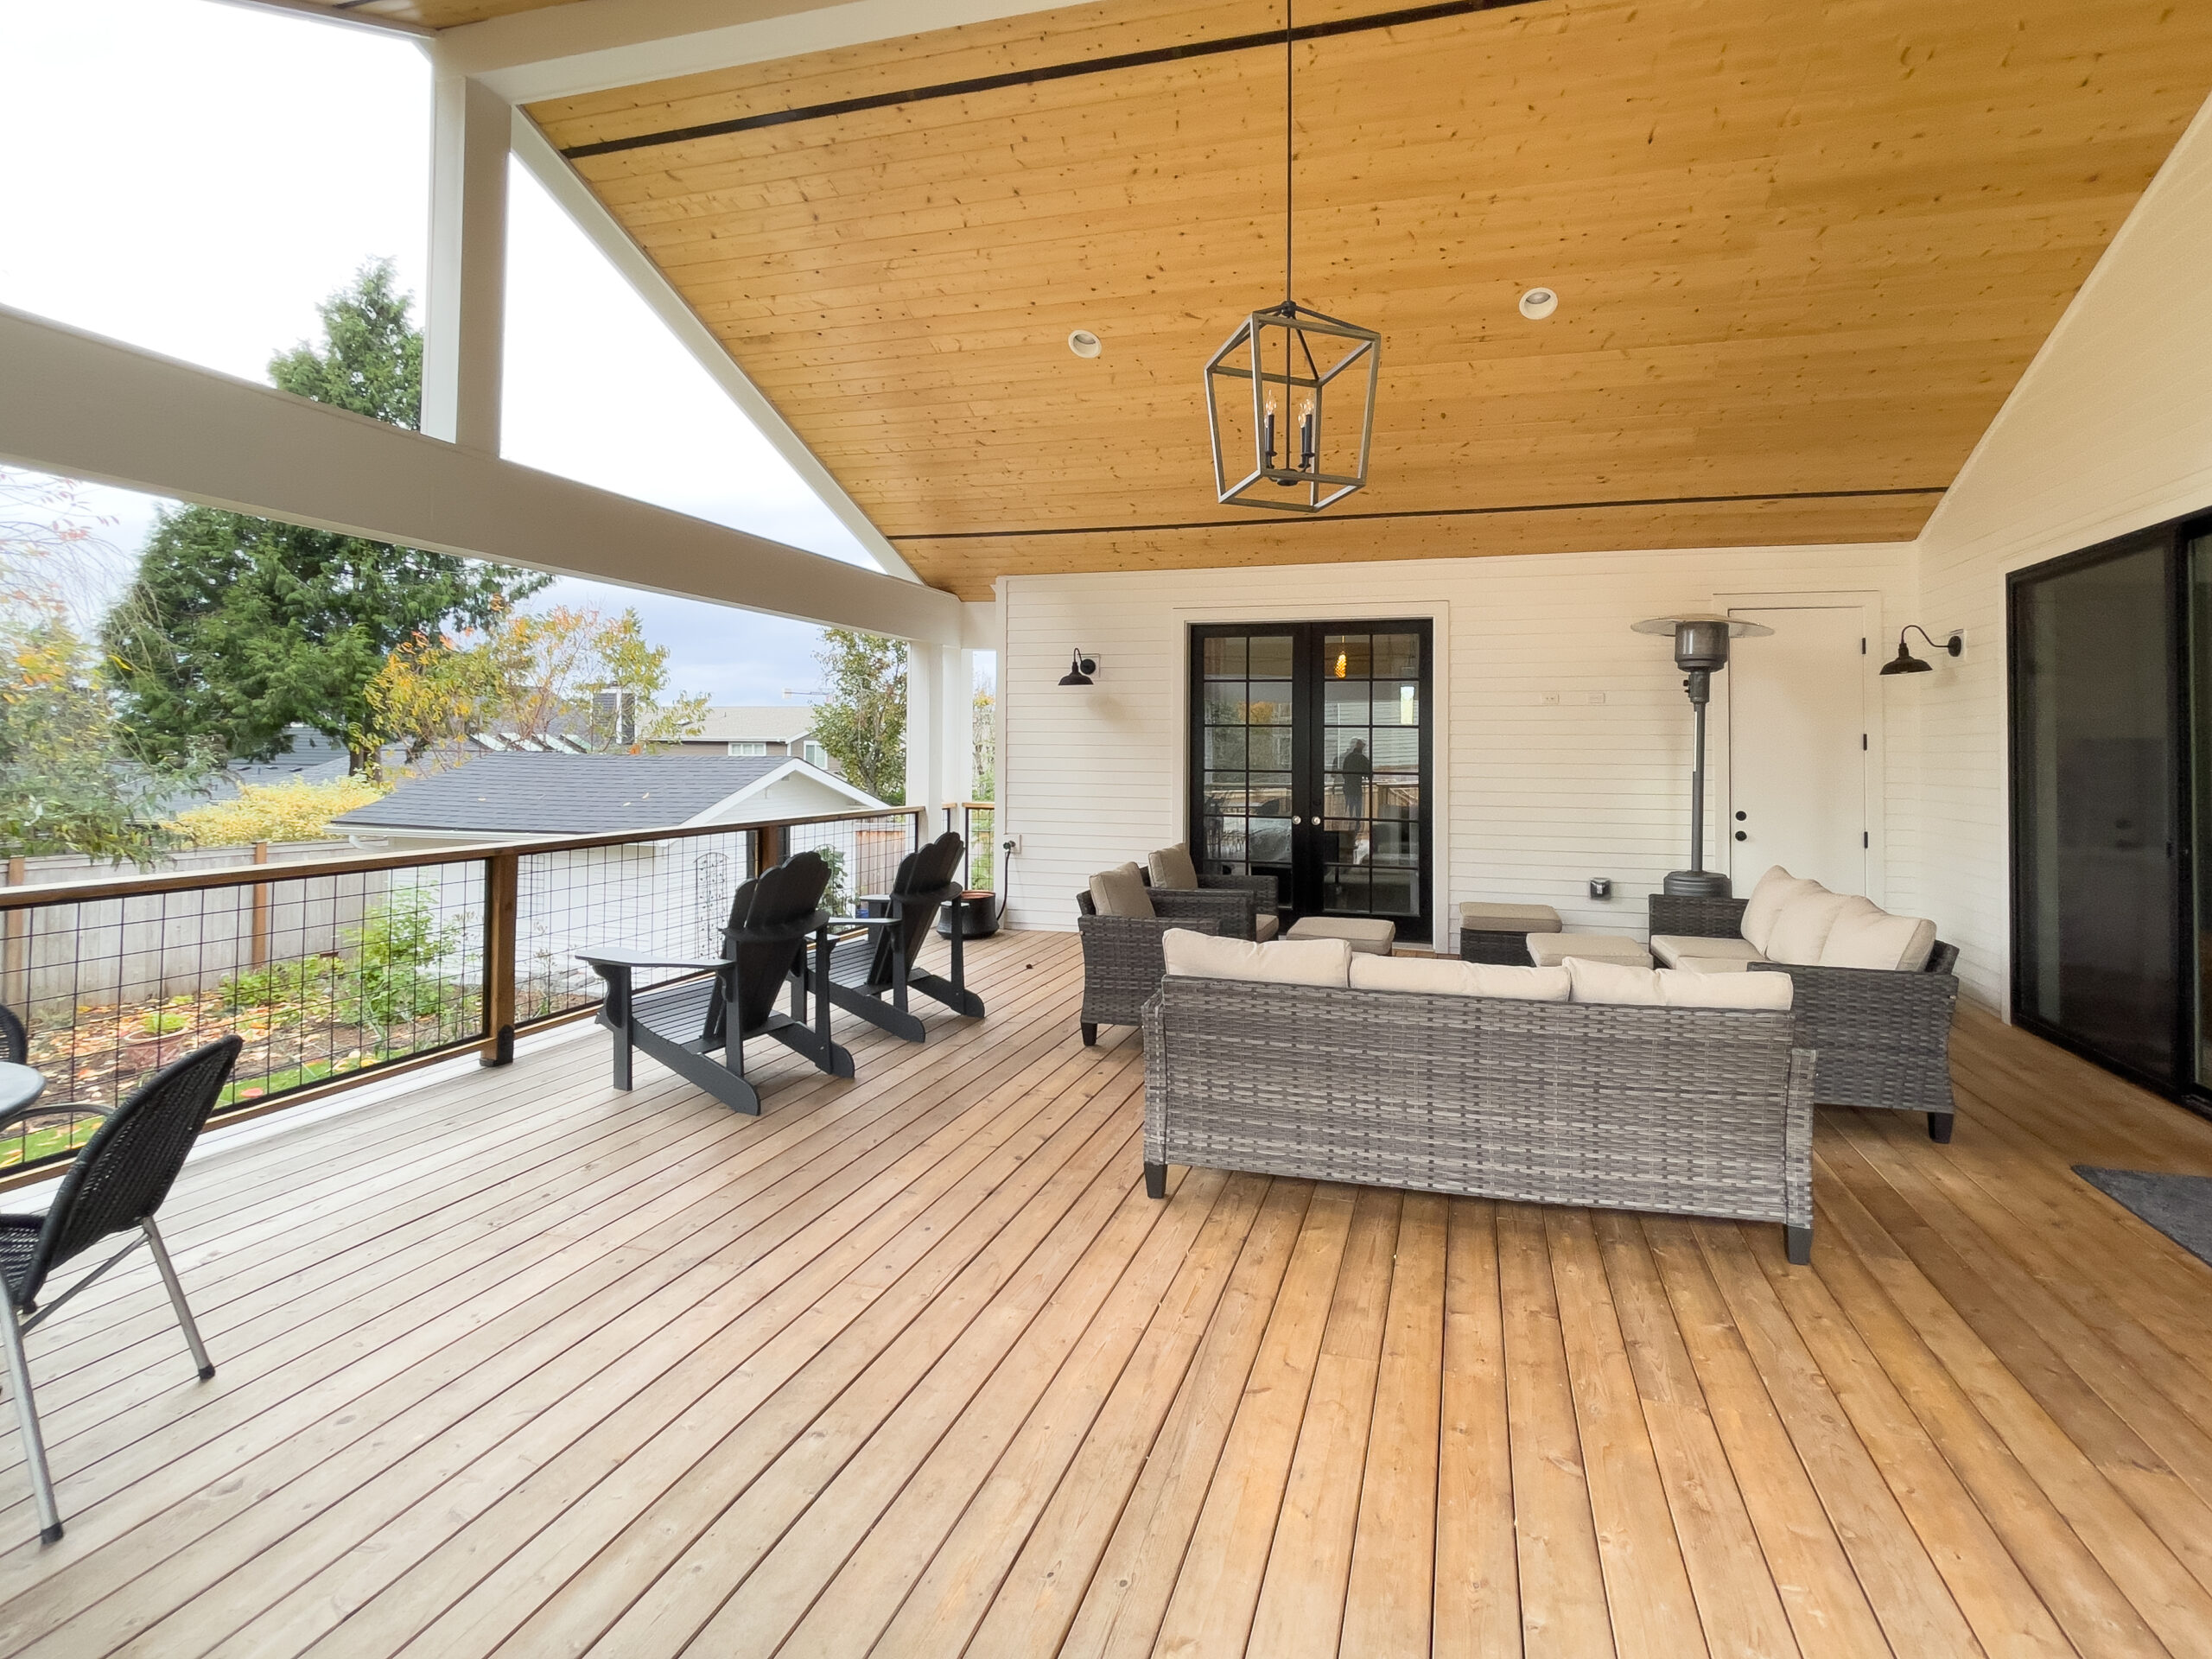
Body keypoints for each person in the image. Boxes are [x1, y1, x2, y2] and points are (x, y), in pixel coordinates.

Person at [1339, 738, 1371, 822]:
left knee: (1348, 808)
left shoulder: (1348, 757)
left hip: (1347, 787)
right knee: (1357, 810)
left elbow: (1344, 774)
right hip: (1357, 788)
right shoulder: (1363, 758)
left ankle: (1349, 825)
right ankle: (1356, 826)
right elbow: (1369, 775)